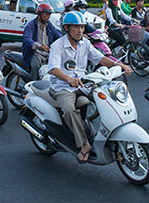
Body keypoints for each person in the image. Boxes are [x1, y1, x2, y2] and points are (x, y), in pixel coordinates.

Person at [48, 11, 133, 163]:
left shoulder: (85, 43)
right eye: (75, 27)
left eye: (82, 27)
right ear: (66, 28)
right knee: (69, 109)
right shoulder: (58, 45)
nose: (80, 30)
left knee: (107, 94)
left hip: (83, 83)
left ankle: (114, 129)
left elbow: (99, 58)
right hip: (62, 86)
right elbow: (53, 69)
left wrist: (119, 64)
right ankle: (84, 144)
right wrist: (68, 78)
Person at [22, 3, 61, 80]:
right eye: (46, 14)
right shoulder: (31, 25)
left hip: (48, 54)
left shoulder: (49, 25)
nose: (48, 16)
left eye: (49, 14)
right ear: (39, 13)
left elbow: (58, 36)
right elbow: (27, 39)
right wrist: (39, 46)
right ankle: (34, 86)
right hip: (35, 53)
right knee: (35, 66)